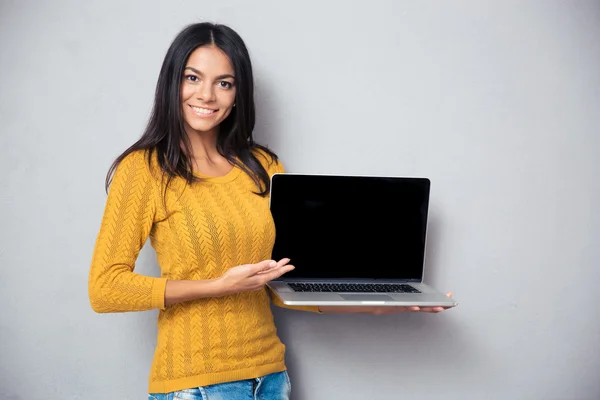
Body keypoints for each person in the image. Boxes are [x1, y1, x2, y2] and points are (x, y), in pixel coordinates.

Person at [88, 22, 452, 400]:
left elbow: (285, 283)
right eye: (193, 77)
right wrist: (218, 286)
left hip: (270, 378)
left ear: (238, 93)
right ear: (172, 82)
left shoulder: (263, 165)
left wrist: (379, 305)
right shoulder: (145, 169)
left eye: (224, 83)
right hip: (195, 384)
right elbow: (105, 289)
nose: (207, 95)